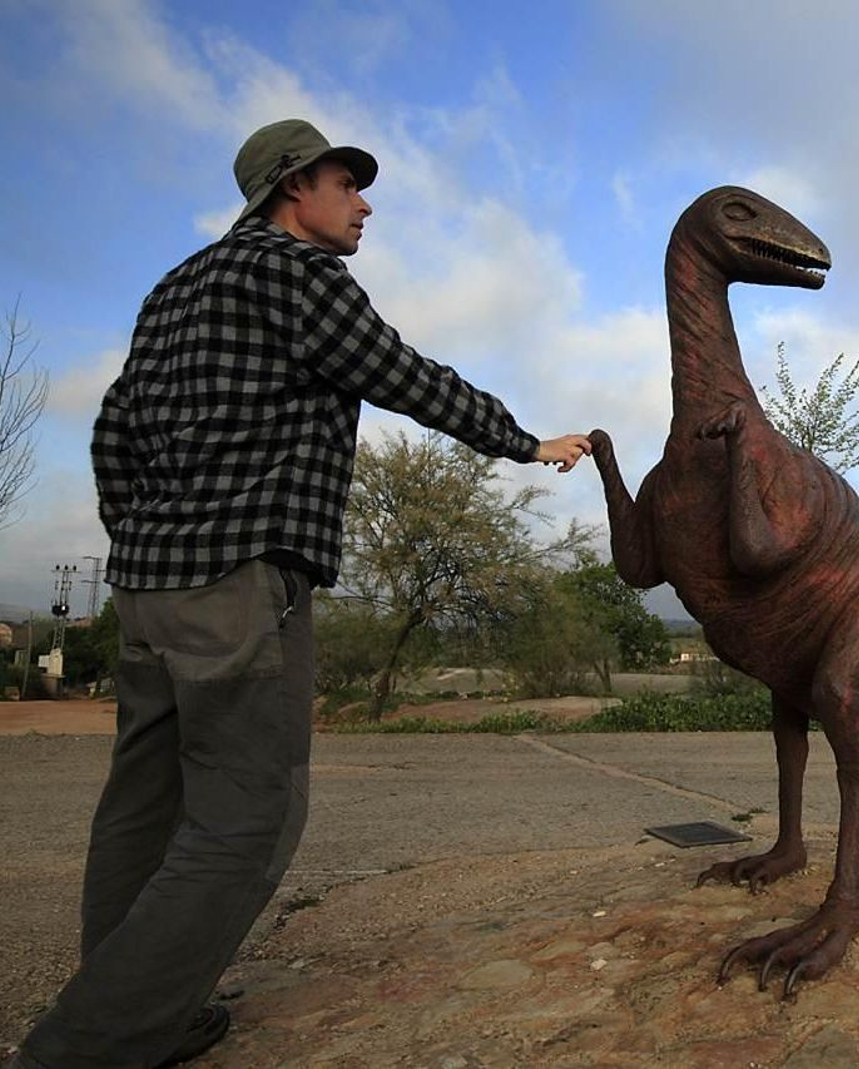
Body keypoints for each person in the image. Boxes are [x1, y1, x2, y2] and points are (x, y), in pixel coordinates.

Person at [14, 119, 591, 1068]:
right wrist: (528, 444)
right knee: (248, 819)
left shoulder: (174, 287)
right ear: (294, 190)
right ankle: (88, 1046)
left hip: (148, 589)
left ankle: (136, 1003)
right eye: (346, 184)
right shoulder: (299, 274)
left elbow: (112, 430)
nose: (364, 203)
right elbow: (403, 375)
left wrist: (142, 541)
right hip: (239, 585)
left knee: (142, 813)